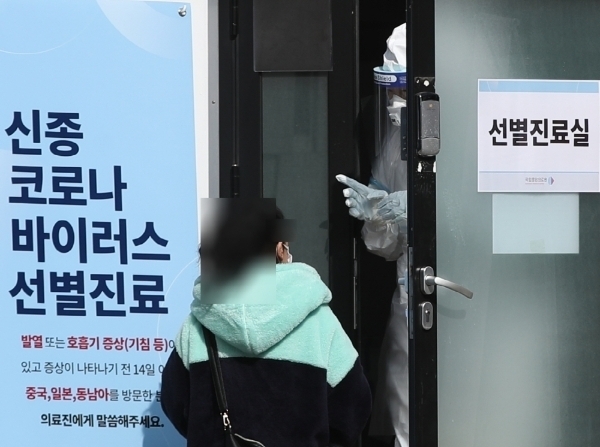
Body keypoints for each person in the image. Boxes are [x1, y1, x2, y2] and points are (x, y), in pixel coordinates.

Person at [160, 200, 372, 447]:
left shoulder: (197, 325)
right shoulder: (320, 322)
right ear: (280, 247)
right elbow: (353, 406)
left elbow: (176, 404)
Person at [337, 23, 409, 447]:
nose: (395, 100)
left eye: (403, 88)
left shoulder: (475, 129)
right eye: (391, 89)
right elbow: (387, 246)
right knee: (406, 418)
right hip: (414, 295)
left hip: (471, 298)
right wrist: (378, 218)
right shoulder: (395, 140)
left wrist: (424, 209)